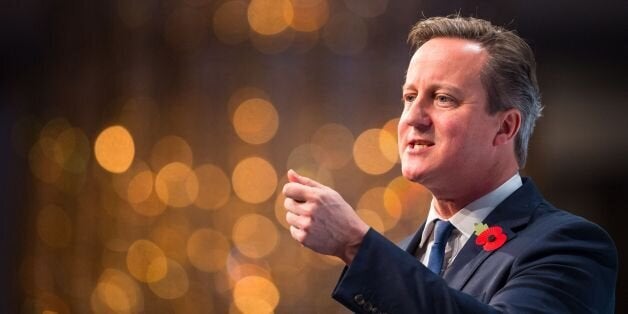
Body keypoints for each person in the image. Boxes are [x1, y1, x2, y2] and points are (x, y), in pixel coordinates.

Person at [282, 16, 617, 313]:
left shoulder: (569, 247)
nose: (412, 117)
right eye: (409, 97)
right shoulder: (400, 256)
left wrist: (356, 243)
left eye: (443, 98)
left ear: (505, 127)